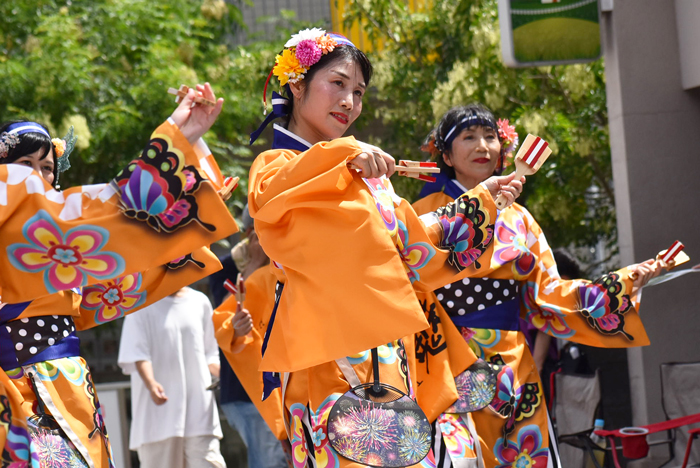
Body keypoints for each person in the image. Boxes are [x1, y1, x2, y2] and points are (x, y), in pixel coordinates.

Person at [244, 29, 523, 467]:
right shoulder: (276, 167)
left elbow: (414, 248)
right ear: (296, 85)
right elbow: (279, 197)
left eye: (358, 92)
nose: (349, 102)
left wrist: (483, 201)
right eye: (337, 84)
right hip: (327, 362)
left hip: (390, 360)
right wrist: (347, 155)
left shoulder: (367, 177)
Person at [0, 84, 238, 467]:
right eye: (24, 164)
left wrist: (184, 215)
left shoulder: (47, 231)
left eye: (46, 168)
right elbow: (108, 215)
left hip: (68, 384)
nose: (37, 176)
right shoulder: (9, 207)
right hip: (16, 387)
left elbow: (124, 274)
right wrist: (174, 145)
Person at [411, 103, 662, 468]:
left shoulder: (520, 219)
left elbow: (549, 293)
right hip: (446, 360)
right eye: (469, 137)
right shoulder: (424, 214)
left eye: (490, 137)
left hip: (513, 365)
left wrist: (623, 283)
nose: (483, 145)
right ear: (446, 154)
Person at [209, 205, 288, 468]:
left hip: (286, 384)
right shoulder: (226, 267)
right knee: (269, 460)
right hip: (247, 389)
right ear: (248, 233)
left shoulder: (285, 264)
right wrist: (255, 263)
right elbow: (225, 317)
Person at [117, 286, 226, 468]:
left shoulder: (200, 301)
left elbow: (210, 354)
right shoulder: (139, 305)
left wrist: (231, 377)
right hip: (158, 419)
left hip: (201, 411)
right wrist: (151, 383)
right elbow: (138, 354)